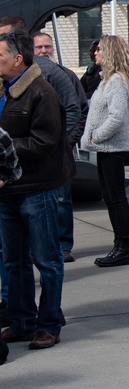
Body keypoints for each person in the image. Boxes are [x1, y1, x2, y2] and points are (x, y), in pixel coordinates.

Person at [0, 28, 67, 349]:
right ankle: (22, 321)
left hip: (36, 189)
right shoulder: (4, 89)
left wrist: (3, 146)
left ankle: (49, 324)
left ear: (17, 59)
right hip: (8, 190)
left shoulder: (41, 92)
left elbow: (45, 141)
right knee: (14, 261)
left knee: (47, 260)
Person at [80, 35, 129, 267]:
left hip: (112, 148)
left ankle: (123, 247)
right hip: (105, 148)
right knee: (111, 198)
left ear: (111, 53)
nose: (95, 53)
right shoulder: (107, 80)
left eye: (100, 50)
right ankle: (120, 245)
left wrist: (97, 136)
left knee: (116, 199)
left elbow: (117, 117)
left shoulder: (116, 81)